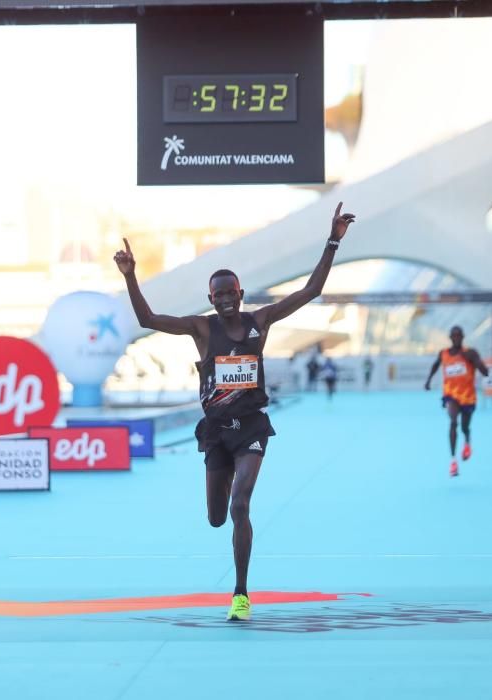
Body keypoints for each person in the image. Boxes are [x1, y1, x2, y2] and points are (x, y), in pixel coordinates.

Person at [114, 202, 356, 621]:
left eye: (232, 292)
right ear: (211, 298)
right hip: (216, 432)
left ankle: (240, 594)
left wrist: (333, 241)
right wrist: (131, 275)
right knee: (216, 517)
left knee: (241, 505)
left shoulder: (260, 320)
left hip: (251, 426)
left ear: (241, 294)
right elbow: (148, 318)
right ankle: (224, 504)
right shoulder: (201, 328)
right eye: (218, 294)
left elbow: (310, 291)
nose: (226, 299)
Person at [424, 325, 489, 477]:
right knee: (453, 422)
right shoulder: (444, 353)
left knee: (465, 427)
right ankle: (453, 461)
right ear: (450, 337)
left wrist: (476, 363)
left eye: (459, 335)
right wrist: (428, 380)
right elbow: (435, 366)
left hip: (468, 397)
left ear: (463, 337)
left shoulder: (470, 353)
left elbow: (485, 372)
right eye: (454, 335)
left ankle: (467, 442)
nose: (457, 338)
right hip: (451, 395)